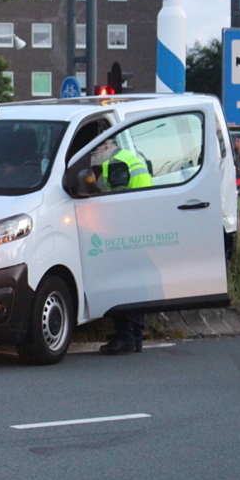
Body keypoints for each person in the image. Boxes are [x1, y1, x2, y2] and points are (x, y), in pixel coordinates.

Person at [89, 137, 152, 355]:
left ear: (106, 146)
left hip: (125, 228)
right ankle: (134, 336)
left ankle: (126, 337)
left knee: (122, 283)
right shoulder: (128, 158)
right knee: (134, 282)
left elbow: (117, 199)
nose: (93, 157)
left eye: (95, 152)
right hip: (138, 224)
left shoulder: (117, 163)